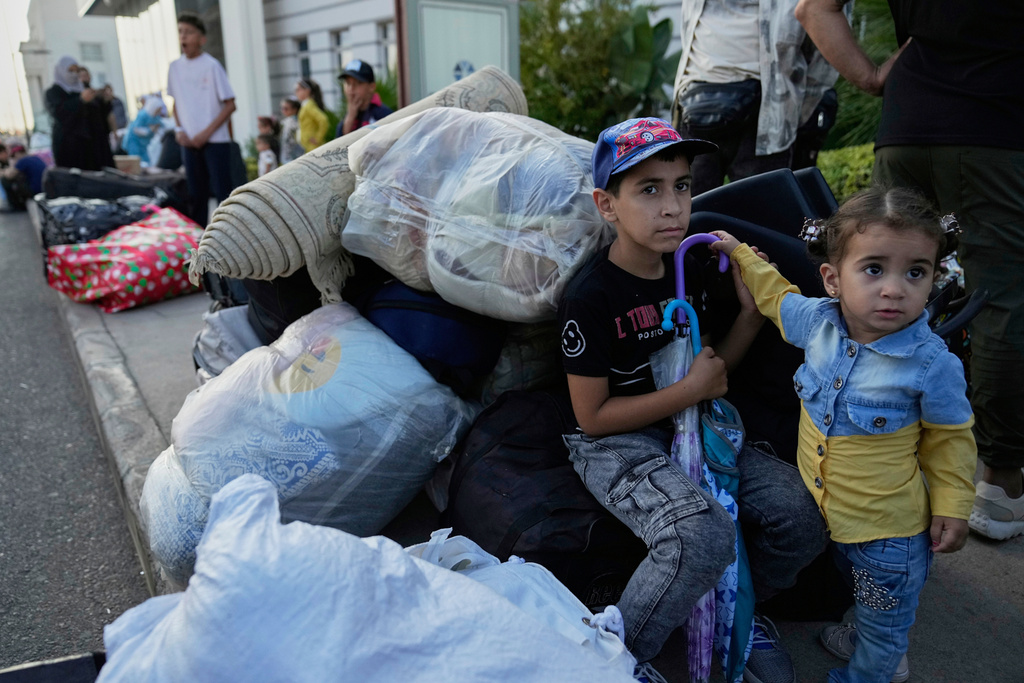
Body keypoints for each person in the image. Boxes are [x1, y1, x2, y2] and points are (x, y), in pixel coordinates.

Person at [558, 116, 827, 681]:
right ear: (607, 205)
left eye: (681, 186)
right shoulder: (591, 296)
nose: (672, 206)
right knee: (699, 532)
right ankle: (622, 656)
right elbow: (593, 416)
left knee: (803, 515)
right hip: (618, 441)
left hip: (695, 420)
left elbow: (708, 368)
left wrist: (751, 320)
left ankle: (744, 612)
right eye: (648, 190)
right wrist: (689, 392)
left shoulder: (691, 270)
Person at [709, 186, 976, 683]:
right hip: (837, 522)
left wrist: (953, 504)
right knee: (862, 595)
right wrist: (737, 252)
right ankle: (871, 632)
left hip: (888, 537)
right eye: (874, 269)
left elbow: (951, 439)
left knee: (881, 613)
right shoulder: (817, 324)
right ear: (833, 278)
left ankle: (876, 663)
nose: (894, 288)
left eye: (915, 272)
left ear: (935, 278)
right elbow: (775, 295)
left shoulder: (931, 364)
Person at [795, 0, 1024, 542]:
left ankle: (855, 463)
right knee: (1000, 299)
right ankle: (1000, 484)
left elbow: (813, 8)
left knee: (871, 283)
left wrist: (874, 77)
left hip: (909, 123)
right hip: (999, 128)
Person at [670, 0, 841, 195]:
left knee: (695, 211)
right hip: (755, 104)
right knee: (758, 214)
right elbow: (823, 37)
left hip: (748, 103)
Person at [167, 11, 239, 227]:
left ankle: (230, 235)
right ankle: (197, 244)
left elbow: (230, 104)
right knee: (195, 195)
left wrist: (205, 134)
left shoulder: (212, 65)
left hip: (215, 142)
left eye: (189, 32)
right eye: (180, 32)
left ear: (202, 38)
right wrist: (179, 130)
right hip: (188, 142)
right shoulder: (174, 68)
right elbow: (176, 103)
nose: (183, 37)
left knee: (222, 194)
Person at [45, 56, 97, 170]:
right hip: (66, 146)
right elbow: (59, 114)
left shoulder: (82, 90)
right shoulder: (53, 92)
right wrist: (80, 100)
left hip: (87, 146)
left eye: (76, 71)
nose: (74, 74)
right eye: (70, 70)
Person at [336, 59, 392, 138]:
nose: (351, 89)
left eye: (358, 83)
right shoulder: (347, 117)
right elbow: (339, 145)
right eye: (348, 83)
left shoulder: (383, 115)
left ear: (372, 87)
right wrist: (350, 117)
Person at [76, 67, 115, 171]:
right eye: (82, 76)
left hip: (100, 138)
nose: (85, 78)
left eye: (86, 75)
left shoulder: (96, 95)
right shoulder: (76, 97)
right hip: (88, 140)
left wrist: (106, 101)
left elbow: (105, 114)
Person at [1, 143, 47, 210]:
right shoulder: (34, 157)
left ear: (17, 153)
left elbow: (9, 175)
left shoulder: (23, 160)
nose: (13, 158)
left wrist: (4, 171)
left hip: (35, 190)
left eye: (13, 156)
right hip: (43, 188)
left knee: (5, 180)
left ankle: (16, 206)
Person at [122, 96, 165, 165]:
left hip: (144, 145)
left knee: (146, 162)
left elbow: (162, 126)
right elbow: (136, 129)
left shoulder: (156, 117)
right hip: (135, 142)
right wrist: (150, 129)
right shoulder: (142, 115)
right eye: (158, 109)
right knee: (136, 162)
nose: (159, 112)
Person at [294, 78, 328, 152]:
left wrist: (318, 138)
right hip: (308, 147)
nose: (296, 92)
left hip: (312, 147)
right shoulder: (305, 105)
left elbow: (323, 120)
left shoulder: (309, 106)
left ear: (307, 90)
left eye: (298, 89)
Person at [278, 97, 304, 164]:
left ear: (295, 109)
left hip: (294, 156)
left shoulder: (296, 122)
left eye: (286, 109)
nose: (283, 111)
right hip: (288, 157)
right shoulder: (287, 121)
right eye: (282, 108)